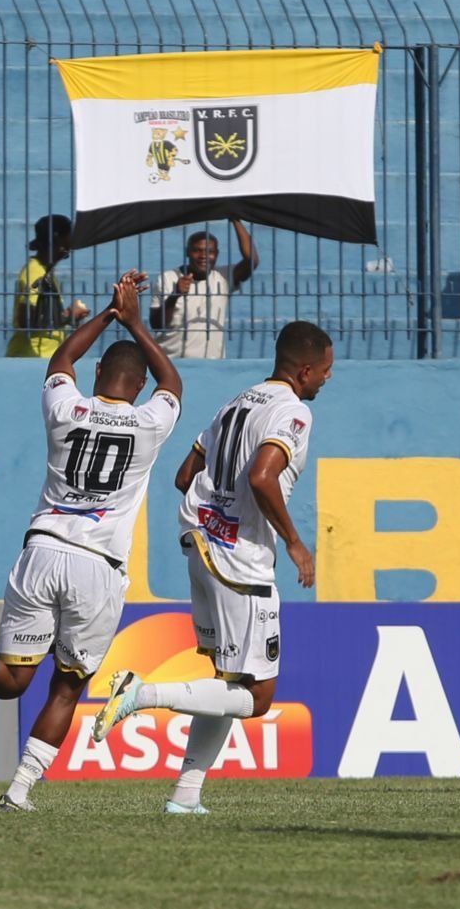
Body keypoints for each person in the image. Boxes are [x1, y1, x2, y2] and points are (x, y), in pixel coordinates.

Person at [0, 271, 182, 812]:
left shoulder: (66, 409)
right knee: (66, 686)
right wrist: (137, 322)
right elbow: (172, 386)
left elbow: (59, 362)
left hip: (41, 551)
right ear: (137, 386)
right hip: (97, 567)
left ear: (100, 372)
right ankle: (19, 793)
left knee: (13, 679)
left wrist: (107, 315)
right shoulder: (150, 424)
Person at [93, 321, 334, 814]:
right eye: (326, 371)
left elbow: (185, 475)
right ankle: (140, 693)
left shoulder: (237, 401)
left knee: (229, 680)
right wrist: (293, 541)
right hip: (240, 562)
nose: (328, 380)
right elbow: (264, 477)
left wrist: (220, 504)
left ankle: (185, 796)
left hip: (200, 541)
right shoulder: (291, 413)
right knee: (259, 697)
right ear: (305, 370)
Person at [149, 219, 259, 359]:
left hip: (213, 365)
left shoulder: (223, 277)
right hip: (172, 363)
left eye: (210, 252)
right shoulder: (167, 278)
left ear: (217, 254)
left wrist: (236, 220)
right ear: (188, 252)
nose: (203, 256)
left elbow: (252, 261)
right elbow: (157, 324)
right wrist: (175, 295)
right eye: (197, 251)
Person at [6, 214, 89, 358]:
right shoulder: (34, 273)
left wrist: (70, 318)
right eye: (67, 240)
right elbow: (25, 319)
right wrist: (68, 315)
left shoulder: (47, 273)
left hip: (43, 358)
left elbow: (44, 315)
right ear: (57, 242)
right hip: (30, 358)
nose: (69, 246)